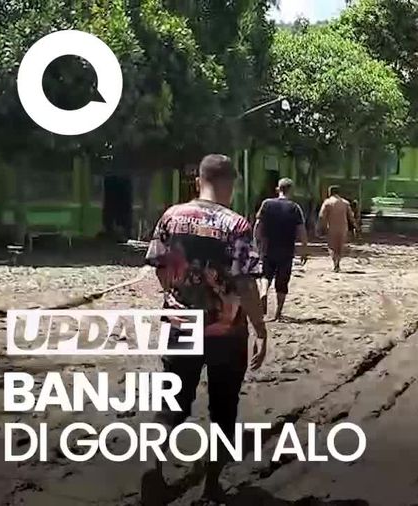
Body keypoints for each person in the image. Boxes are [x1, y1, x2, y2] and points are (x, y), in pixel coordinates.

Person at [140, 154, 267, 504]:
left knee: (172, 403)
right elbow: (246, 284)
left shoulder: (172, 216)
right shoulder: (236, 225)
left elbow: (161, 269)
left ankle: (153, 467)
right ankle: (212, 484)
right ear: (232, 184)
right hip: (226, 331)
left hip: (181, 325)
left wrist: (178, 296)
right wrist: (260, 328)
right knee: (223, 408)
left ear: (199, 180)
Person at [255, 178, 308, 321]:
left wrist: (256, 243)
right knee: (282, 281)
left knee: (265, 275)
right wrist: (304, 249)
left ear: (278, 189)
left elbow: (258, 225)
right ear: (291, 190)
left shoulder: (267, 204)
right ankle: (278, 313)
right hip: (286, 249)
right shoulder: (295, 208)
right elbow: (301, 230)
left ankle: (263, 292)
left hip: (268, 247)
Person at [318, 185, 357, 272]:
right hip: (343, 227)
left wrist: (322, 226)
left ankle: (335, 263)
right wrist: (355, 226)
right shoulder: (345, 203)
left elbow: (322, 216)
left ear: (330, 192)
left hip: (332, 227)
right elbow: (351, 216)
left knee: (332, 246)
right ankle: (338, 263)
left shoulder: (327, 202)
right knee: (340, 246)